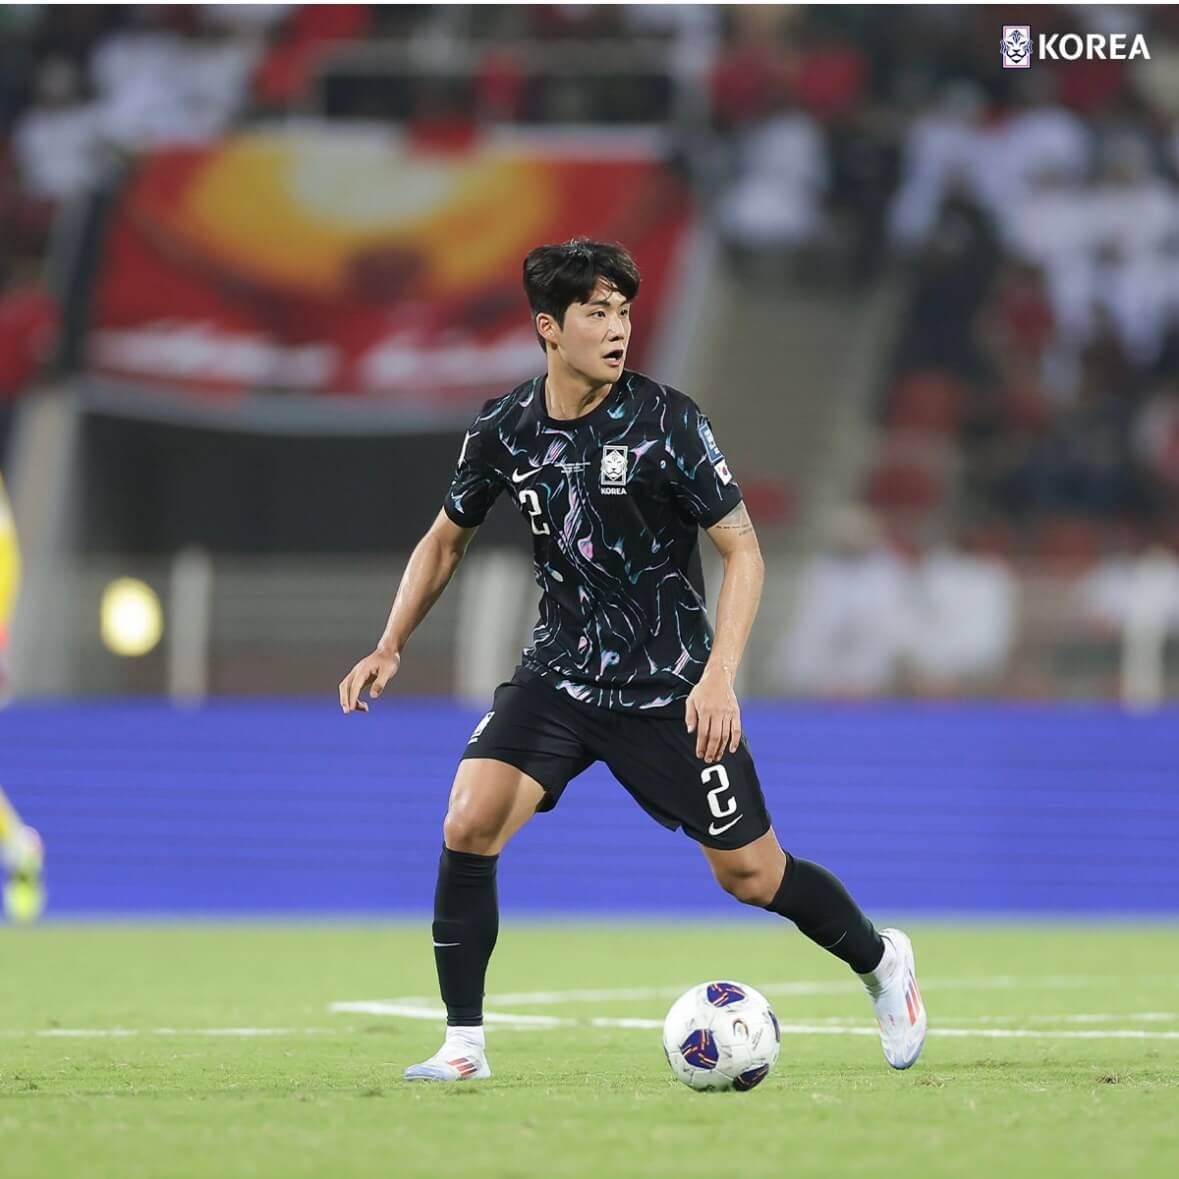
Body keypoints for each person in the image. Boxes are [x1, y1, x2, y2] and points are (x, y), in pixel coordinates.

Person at [338, 239, 926, 1082]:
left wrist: (719, 673)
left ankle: (881, 961)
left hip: (670, 689)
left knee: (752, 875)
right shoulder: (505, 428)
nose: (617, 329)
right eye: (596, 313)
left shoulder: (668, 421)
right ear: (549, 326)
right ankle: (463, 1044)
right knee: (468, 819)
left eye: (623, 311)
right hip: (558, 676)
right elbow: (444, 540)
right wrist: (390, 641)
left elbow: (744, 552)